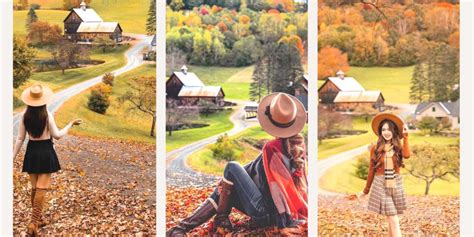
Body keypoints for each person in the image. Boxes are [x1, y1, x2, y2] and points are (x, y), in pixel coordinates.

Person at [167, 92, 308, 236]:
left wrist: (282, 225)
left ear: (270, 120)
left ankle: (191, 226)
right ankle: (190, 227)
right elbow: (255, 166)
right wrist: (227, 181)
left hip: (267, 213)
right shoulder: (298, 145)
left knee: (231, 166)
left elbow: (278, 190)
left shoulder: (271, 148)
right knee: (229, 180)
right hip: (279, 212)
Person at [13, 84, 82, 236]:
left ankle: (39, 219)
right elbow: (57, 135)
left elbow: (19, 138)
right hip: (45, 151)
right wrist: (70, 124)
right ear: (43, 100)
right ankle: (33, 223)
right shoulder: (47, 115)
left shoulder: (25, 115)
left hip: (31, 152)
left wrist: (12, 156)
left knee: (35, 188)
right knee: (41, 189)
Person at [350, 112, 410, 237]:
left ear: (393, 131)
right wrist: (365, 191)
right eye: (383, 129)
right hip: (380, 184)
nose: (386, 132)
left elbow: (407, 155)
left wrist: (406, 136)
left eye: (389, 129)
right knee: (393, 217)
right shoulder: (375, 148)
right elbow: (371, 170)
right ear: (380, 131)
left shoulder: (397, 147)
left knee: (391, 218)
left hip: (396, 183)